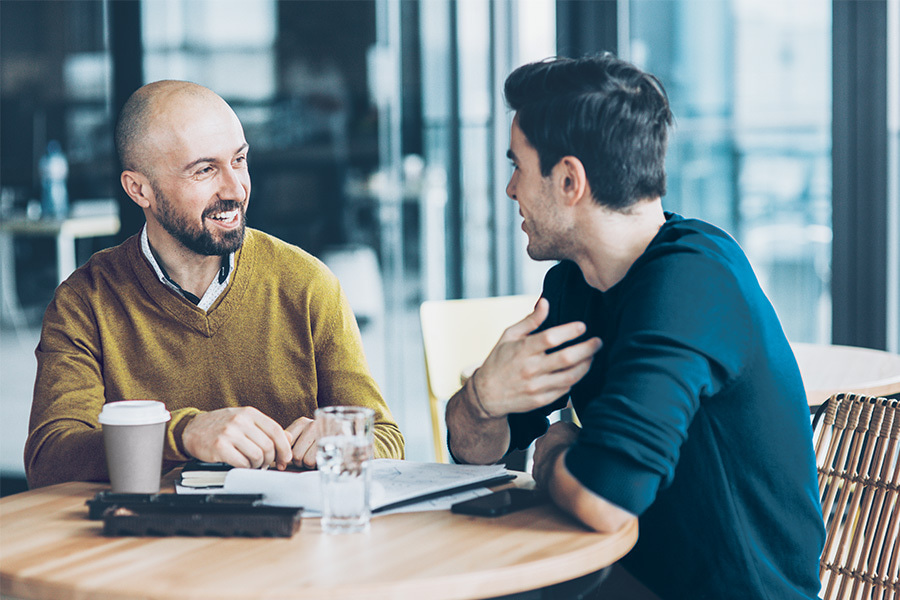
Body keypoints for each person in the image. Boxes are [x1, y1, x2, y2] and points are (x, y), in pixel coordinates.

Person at [445, 54, 824, 599]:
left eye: (518, 167)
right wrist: (482, 399)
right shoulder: (573, 286)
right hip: (637, 581)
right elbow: (474, 449)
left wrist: (551, 457)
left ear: (570, 180)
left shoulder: (694, 279)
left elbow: (608, 496)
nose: (510, 190)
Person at [25, 80, 404, 488]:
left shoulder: (308, 284)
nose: (235, 189)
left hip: (288, 543)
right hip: (148, 546)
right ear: (140, 189)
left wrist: (342, 439)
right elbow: (50, 458)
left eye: (239, 160)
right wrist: (182, 435)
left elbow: (385, 439)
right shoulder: (86, 301)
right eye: (204, 170)